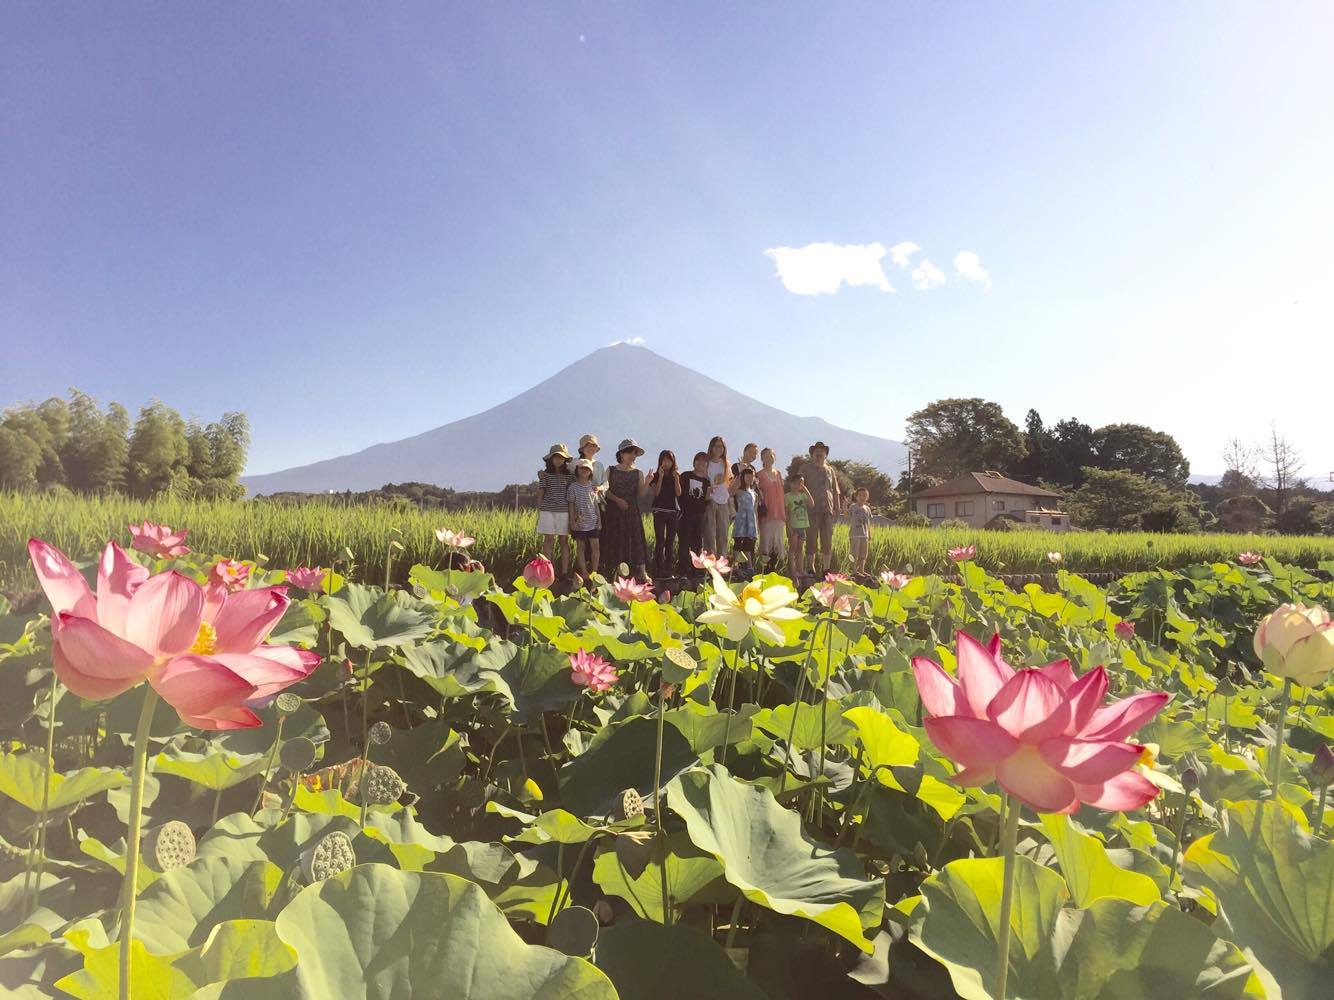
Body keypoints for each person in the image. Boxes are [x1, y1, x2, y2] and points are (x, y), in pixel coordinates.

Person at [602, 438, 650, 579]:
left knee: (636, 540)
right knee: (615, 540)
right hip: (614, 511)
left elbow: (641, 493)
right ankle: (615, 573)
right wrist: (617, 500)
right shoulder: (610, 470)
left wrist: (647, 482)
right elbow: (605, 490)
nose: (632, 456)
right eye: (629, 452)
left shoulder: (638, 473)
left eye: (634, 453)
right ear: (621, 454)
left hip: (632, 511)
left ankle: (641, 572)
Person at [799, 441, 843, 575]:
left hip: (827, 510)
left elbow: (835, 490)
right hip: (811, 510)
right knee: (811, 539)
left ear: (825, 455)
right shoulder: (805, 469)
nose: (819, 454)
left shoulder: (830, 470)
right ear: (812, 454)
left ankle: (826, 569)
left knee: (827, 540)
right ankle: (810, 568)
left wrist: (837, 507)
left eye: (821, 452)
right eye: (816, 452)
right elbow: (798, 488)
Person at [537, 443, 574, 578]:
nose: (558, 460)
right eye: (556, 457)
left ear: (565, 460)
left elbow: (571, 495)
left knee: (564, 541)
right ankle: (547, 572)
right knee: (548, 540)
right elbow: (541, 491)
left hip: (564, 511)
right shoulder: (545, 475)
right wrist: (540, 509)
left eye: (561, 457)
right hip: (548, 510)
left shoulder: (570, 476)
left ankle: (564, 572)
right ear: (551, 459)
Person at [645, 450, 682, 576]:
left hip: (672, 511)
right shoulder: (656, 475)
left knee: (670, 541)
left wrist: (677, 478)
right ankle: (658, 568)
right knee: (660, 540)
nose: (666, 463)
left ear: (673, 462)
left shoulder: (675, 475)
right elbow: (656, 493)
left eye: (669, 460)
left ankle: (668, 569)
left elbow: (678, 493)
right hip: (659, 511)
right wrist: (660, 477)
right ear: (660, 461)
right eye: (664, 460)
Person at [567, 458, 601, 584]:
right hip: (579, 522)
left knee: (595, 547)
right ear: (577, 470)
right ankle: (584, 572)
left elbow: (596, 505)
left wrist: (599, 520)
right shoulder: (573, 487)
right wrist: (572, 521)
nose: (585, 470)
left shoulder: (593, 487)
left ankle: (594, 572)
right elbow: (571, 504)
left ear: (590, 472)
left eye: (587, 469)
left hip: (593, 521)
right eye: (582, 468)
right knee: (580, 547)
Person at [678, 452, 711, 576]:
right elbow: (679, 493)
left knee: (697, 545)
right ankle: (683, 572)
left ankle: (696, 571)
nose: (701, 463)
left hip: (700, 516)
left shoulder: (706, 482)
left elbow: (706, 501)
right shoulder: (686, 475)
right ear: (694, 462)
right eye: (699, 460)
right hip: (685, 515)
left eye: (704, 462)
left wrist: (710, 494)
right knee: (684, 544)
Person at [756, 447, 787, 573]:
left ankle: (774, 569)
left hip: (779, 512)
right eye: (767, 456)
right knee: (766, 541)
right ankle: (765, 570)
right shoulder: (759, 475)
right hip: (767, 513)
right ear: (762, 458)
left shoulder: (778, 473)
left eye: (772, 455)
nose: (770, 458)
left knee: (777, 541)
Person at [702, 435, 732, 556]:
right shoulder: (706, 463)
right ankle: (710, 566)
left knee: (723, 535)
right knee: (709, 535)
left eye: (722, 447)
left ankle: (721, 564)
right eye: (716, 446)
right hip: (710, 501)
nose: (719, 449)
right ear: (711, 447)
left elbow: (729, 483)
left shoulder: (726, 463)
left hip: (724, 501)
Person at [785, 472, 814, 577]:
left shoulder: (803, 496)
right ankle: (793, 571)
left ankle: (800, 571)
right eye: (795, 483)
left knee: (800, 550)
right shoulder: (787, 496)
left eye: (800, 484)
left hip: (802, 527)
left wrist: (806, 490)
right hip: (793, 526)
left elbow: (811, 504)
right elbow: (786, 514)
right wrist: (788, 527)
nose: (797, 486)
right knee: (792, 549)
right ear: (790, 483)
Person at [732, 467, 759, 566]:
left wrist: (757, 525)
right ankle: (735, 567)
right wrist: (739, 475)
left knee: (749, 545)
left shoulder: (754, 493)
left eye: (752, 476)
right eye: (747, 476)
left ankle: (749, 567)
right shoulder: (738, 491)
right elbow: (731, 492)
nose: (749, 478)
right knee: (738, 544)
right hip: (741, 521)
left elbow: (755, 509)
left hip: (751, 522)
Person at [847, 487, 872, 575]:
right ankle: (853, 570)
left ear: (867, 497)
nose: (862, 497)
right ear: (856, 496)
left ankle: (861, 570)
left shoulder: (867, 509)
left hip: (864, 534)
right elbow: (846, 515)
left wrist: (870, 534)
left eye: (864, 496)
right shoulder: (853, 506)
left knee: (863, 554)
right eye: (860, 495)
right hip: (855, 534)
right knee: (854, 553)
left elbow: (868, 522)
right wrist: (844, 505)